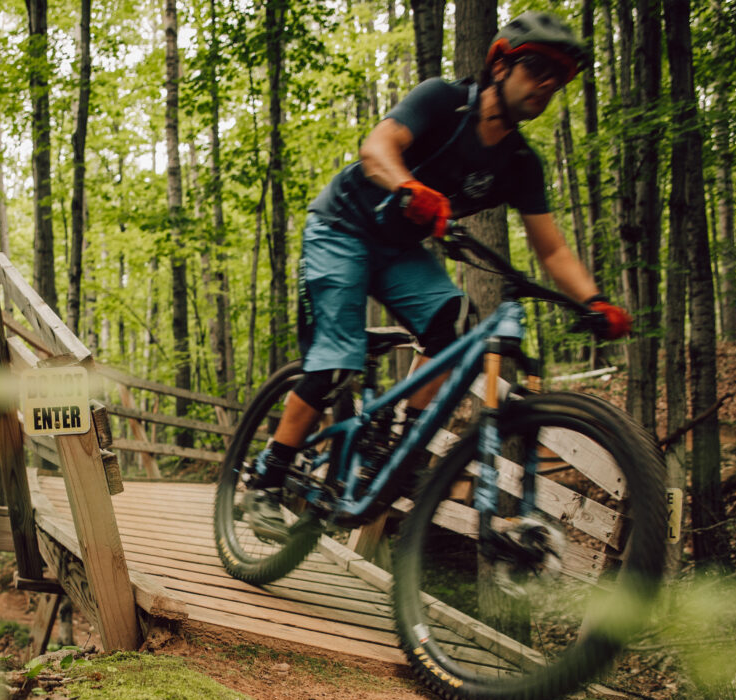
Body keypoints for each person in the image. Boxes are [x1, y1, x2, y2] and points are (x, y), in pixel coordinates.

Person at [244, 11, 631, 537]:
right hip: (341, 227)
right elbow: (376, 149)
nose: (547, 83)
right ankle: (265, 479)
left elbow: (553, 248)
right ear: (500, 62)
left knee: (453, 321)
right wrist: (410, 186)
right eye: (537, 67)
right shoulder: (441, 100)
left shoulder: (521, 162)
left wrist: (595, 300)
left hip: (399, 247)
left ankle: (391, 442)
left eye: (558, 78)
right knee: (337, 359)